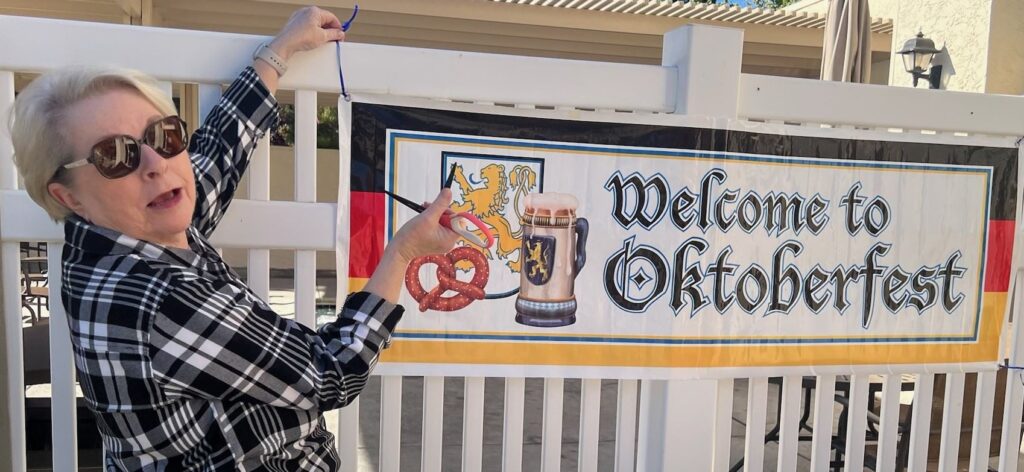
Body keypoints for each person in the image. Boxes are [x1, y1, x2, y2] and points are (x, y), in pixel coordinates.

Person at [9, 6, 457, 470]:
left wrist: (279, 52)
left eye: (163, 135)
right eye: (115, 155)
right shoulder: (162, 300)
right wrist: (403, 251)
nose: (156, 164)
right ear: (69, 195)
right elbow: (331, 370)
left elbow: (216, 157)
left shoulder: (119, 234)